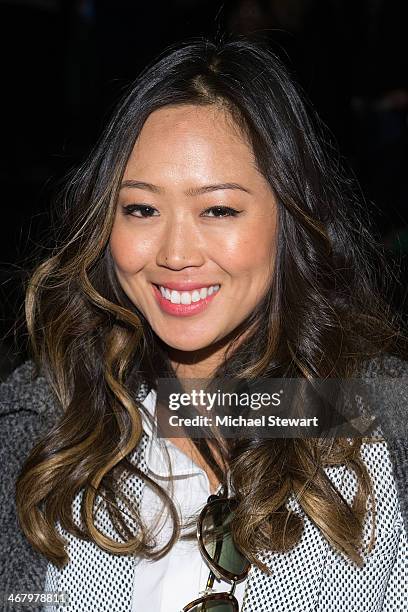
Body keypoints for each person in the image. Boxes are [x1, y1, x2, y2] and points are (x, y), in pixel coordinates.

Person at [1, 36, 408, 612]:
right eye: (142, 208)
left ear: (290, 219)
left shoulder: (384, 420)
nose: (175, 252)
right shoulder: (43, 416)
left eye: (218, 209)